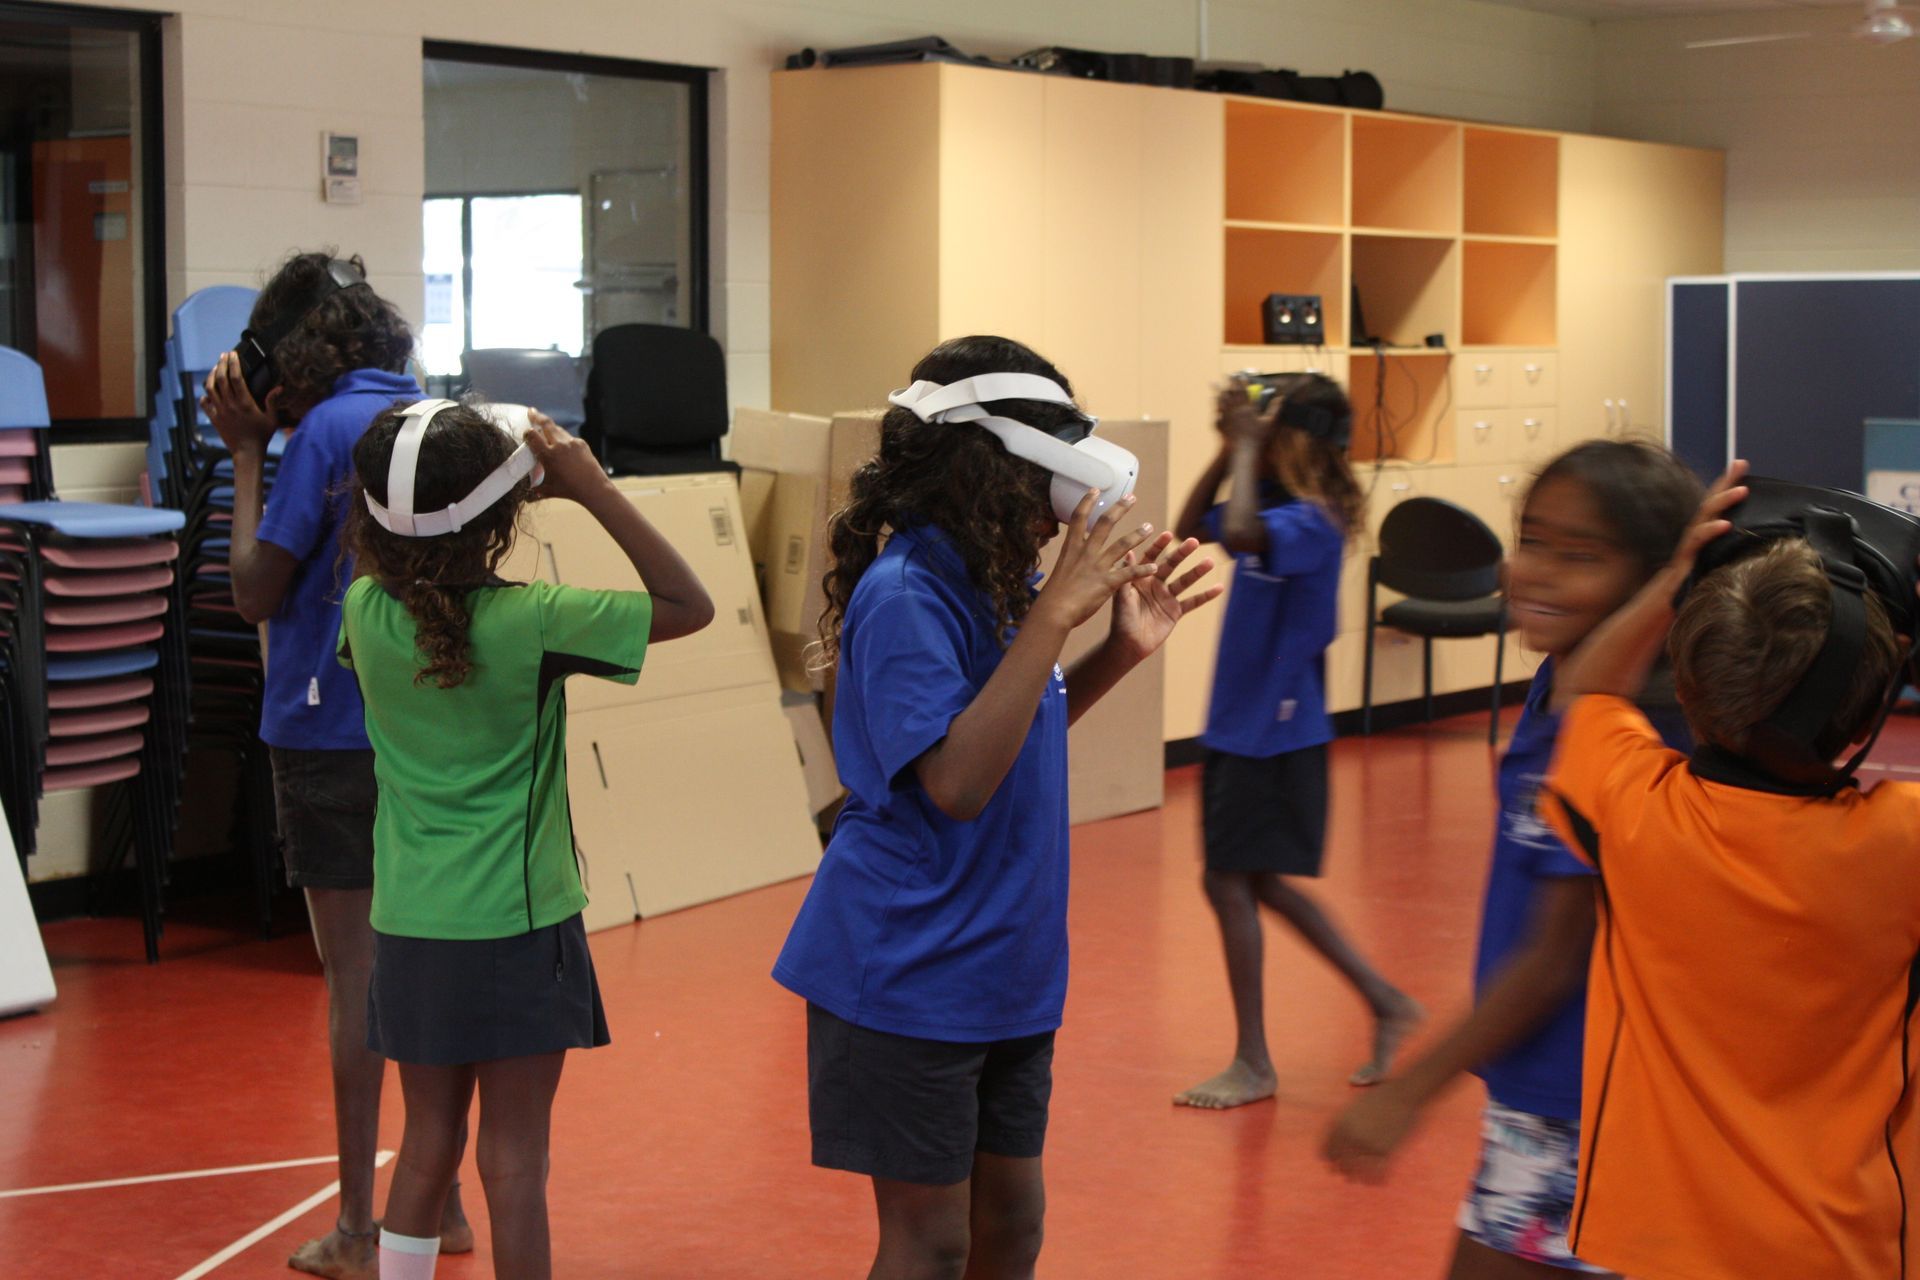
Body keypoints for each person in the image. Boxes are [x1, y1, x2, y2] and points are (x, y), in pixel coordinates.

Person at [771, 335, 1221, 1280]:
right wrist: (1058, 615)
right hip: (906, 967)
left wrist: (1116, 652)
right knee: (932, 1245)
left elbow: (1016, 726)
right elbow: (956, 782)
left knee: (1012, 1226)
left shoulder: (996, 579)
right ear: (988, 470)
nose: (1058, 526)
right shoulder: (907, 593)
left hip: (1005, 965)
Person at [339, 400, 712, 1280]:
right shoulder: (539, 619)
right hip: (519, 922)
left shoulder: (360, 610)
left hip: (410, 922)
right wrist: (589, 486)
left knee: (426, 1142)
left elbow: (410, 565)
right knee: (514, 1160)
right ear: (508, 516)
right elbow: (688, 604)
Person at [1323, 440, 1704, 1277]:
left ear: (1654, 582)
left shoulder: (1622, 734)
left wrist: (1409, 1091)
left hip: (1585, 1102)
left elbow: (1553, 958)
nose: (1537, 572)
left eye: (1582, 557)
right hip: (1549, 1094)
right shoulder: (1559, 689)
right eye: (1532, 540)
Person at [1535, 460, 1920, 1280]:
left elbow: (1584, 694)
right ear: (1875, 698)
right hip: (1841, 1248)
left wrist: (1674, 577)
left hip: (1660, 1245)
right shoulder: (1902, 845)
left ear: (1685, 672)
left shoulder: (1632, 811)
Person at [199, 251, 471, 1277]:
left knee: (355, 978)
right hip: (430, 730)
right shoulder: (427, 415)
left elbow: (257, 592)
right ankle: (436, 1203)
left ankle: (360, 1224)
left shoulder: (316, 432)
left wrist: (245, 454)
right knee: (427, 966)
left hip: (329, 726)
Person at [1171, 373, 1419, 1110]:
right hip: (1243, 723)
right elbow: (1195, 526)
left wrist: (1244, 451)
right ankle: (1385, 1001)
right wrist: (1228, 450)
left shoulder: (1311, 523)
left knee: (1229, 880)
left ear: (1295, 444)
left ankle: (1254, 1061)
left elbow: (1240, 532)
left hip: (1275, 731)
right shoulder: (1277, 504)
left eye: (1271, 436)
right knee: (1255, 881)